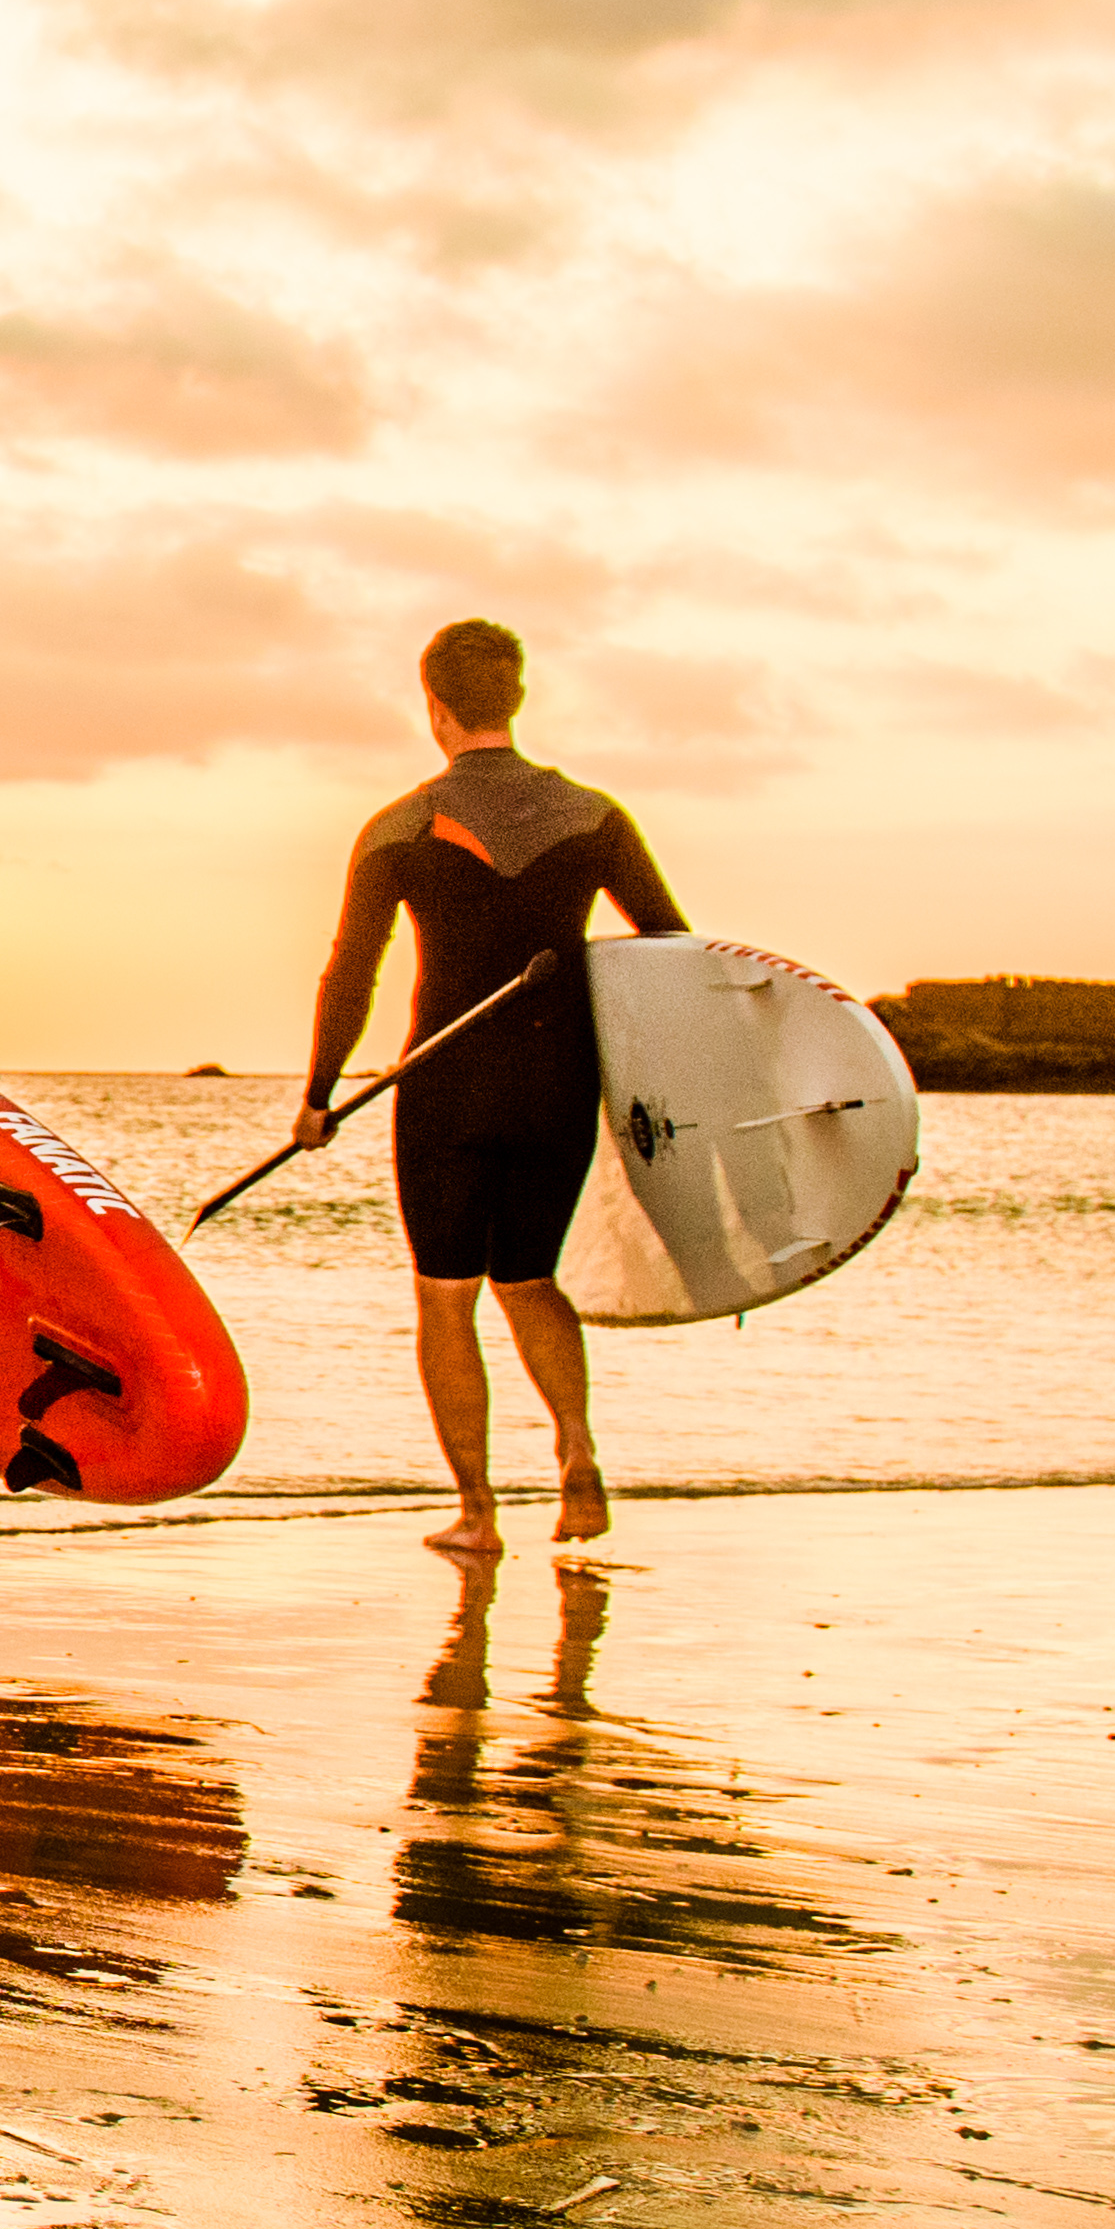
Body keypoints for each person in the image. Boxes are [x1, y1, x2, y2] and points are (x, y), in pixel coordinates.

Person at [281, 617, 685, 1557]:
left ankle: (477, 1513)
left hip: (445, 1084)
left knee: (446, 1296)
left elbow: (353, 969)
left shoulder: (400, 824)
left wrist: (318, 1095)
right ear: (518, 698)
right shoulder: (593, 815)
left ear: (434, 706)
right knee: (530, 1278)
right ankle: (578, 1457)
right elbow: (670, 947)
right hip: (558, 1081)